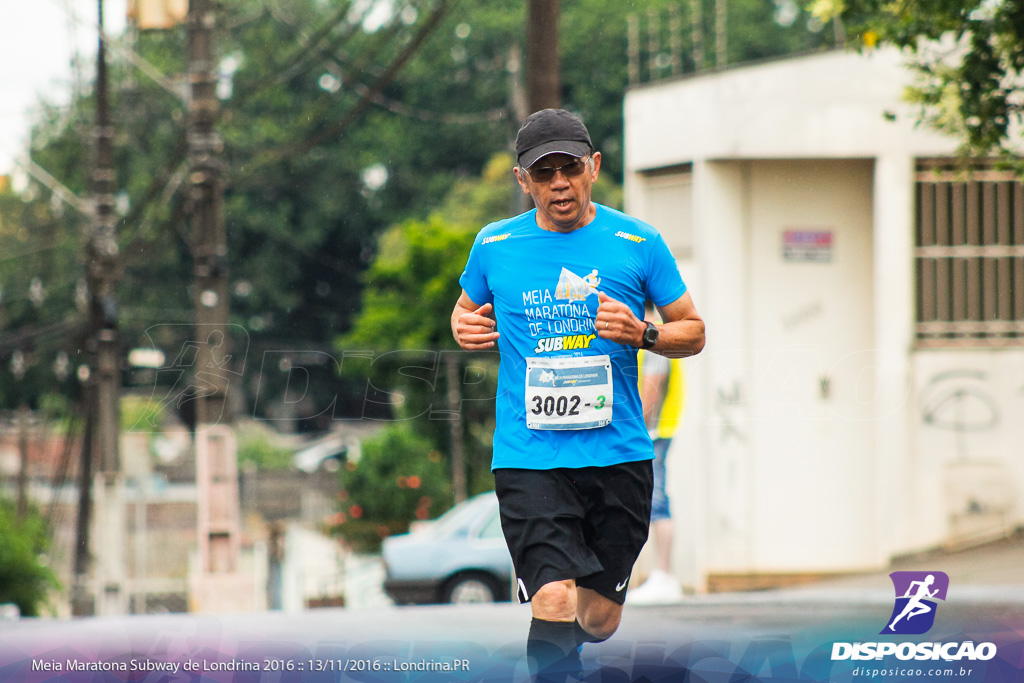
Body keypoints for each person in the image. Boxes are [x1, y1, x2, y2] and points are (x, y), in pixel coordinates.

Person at [451, 108, 705, 682]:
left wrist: (644, 333)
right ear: (524, 182)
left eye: (569, 168)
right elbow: (464, 311)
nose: (558, 183)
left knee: (598, 617)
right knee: (553, 599)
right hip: (531, 459)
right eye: (544, 174)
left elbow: (693, 330)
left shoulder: (637, 242)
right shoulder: (495, 245)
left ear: (593, 167)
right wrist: (461, 325)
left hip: (619, 458)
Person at [628, 305, 687, 605]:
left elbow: (651, 389)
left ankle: (663, 577)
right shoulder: (657, 334)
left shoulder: (651, 336)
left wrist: (635, 431)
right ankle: (661, 577)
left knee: (657, 500)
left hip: (652, 432)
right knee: (655, 499)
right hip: (656, 430)